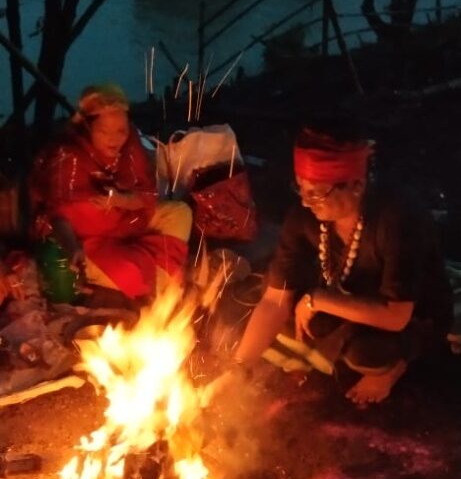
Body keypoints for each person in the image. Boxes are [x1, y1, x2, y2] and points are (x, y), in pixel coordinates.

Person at [230, 120, 453, 405]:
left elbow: (396, 316)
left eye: (316, 192)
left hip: (411, 315)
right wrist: (239, 369)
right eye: (301, 188)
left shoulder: (397, 218)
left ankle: (396, 367)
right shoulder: (305, 218)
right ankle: (337, 346)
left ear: (356, 185)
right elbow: (275, 301)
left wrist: (318, 299)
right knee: (276, 311)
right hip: (350, 298)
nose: (306, 201)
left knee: (366, 354)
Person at [29, 83, 192, 301]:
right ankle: (154, 274)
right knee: (134, 275)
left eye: (121, 131)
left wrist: (119, 200)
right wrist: (73, 248)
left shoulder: (130, 145)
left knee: (179, 213)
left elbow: (145, 196)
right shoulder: (68, 155)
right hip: (88, 243)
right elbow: (57, 216)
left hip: (127, 223)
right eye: (104, 132)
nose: (114, 139)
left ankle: (153, 272)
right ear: (87, 128)